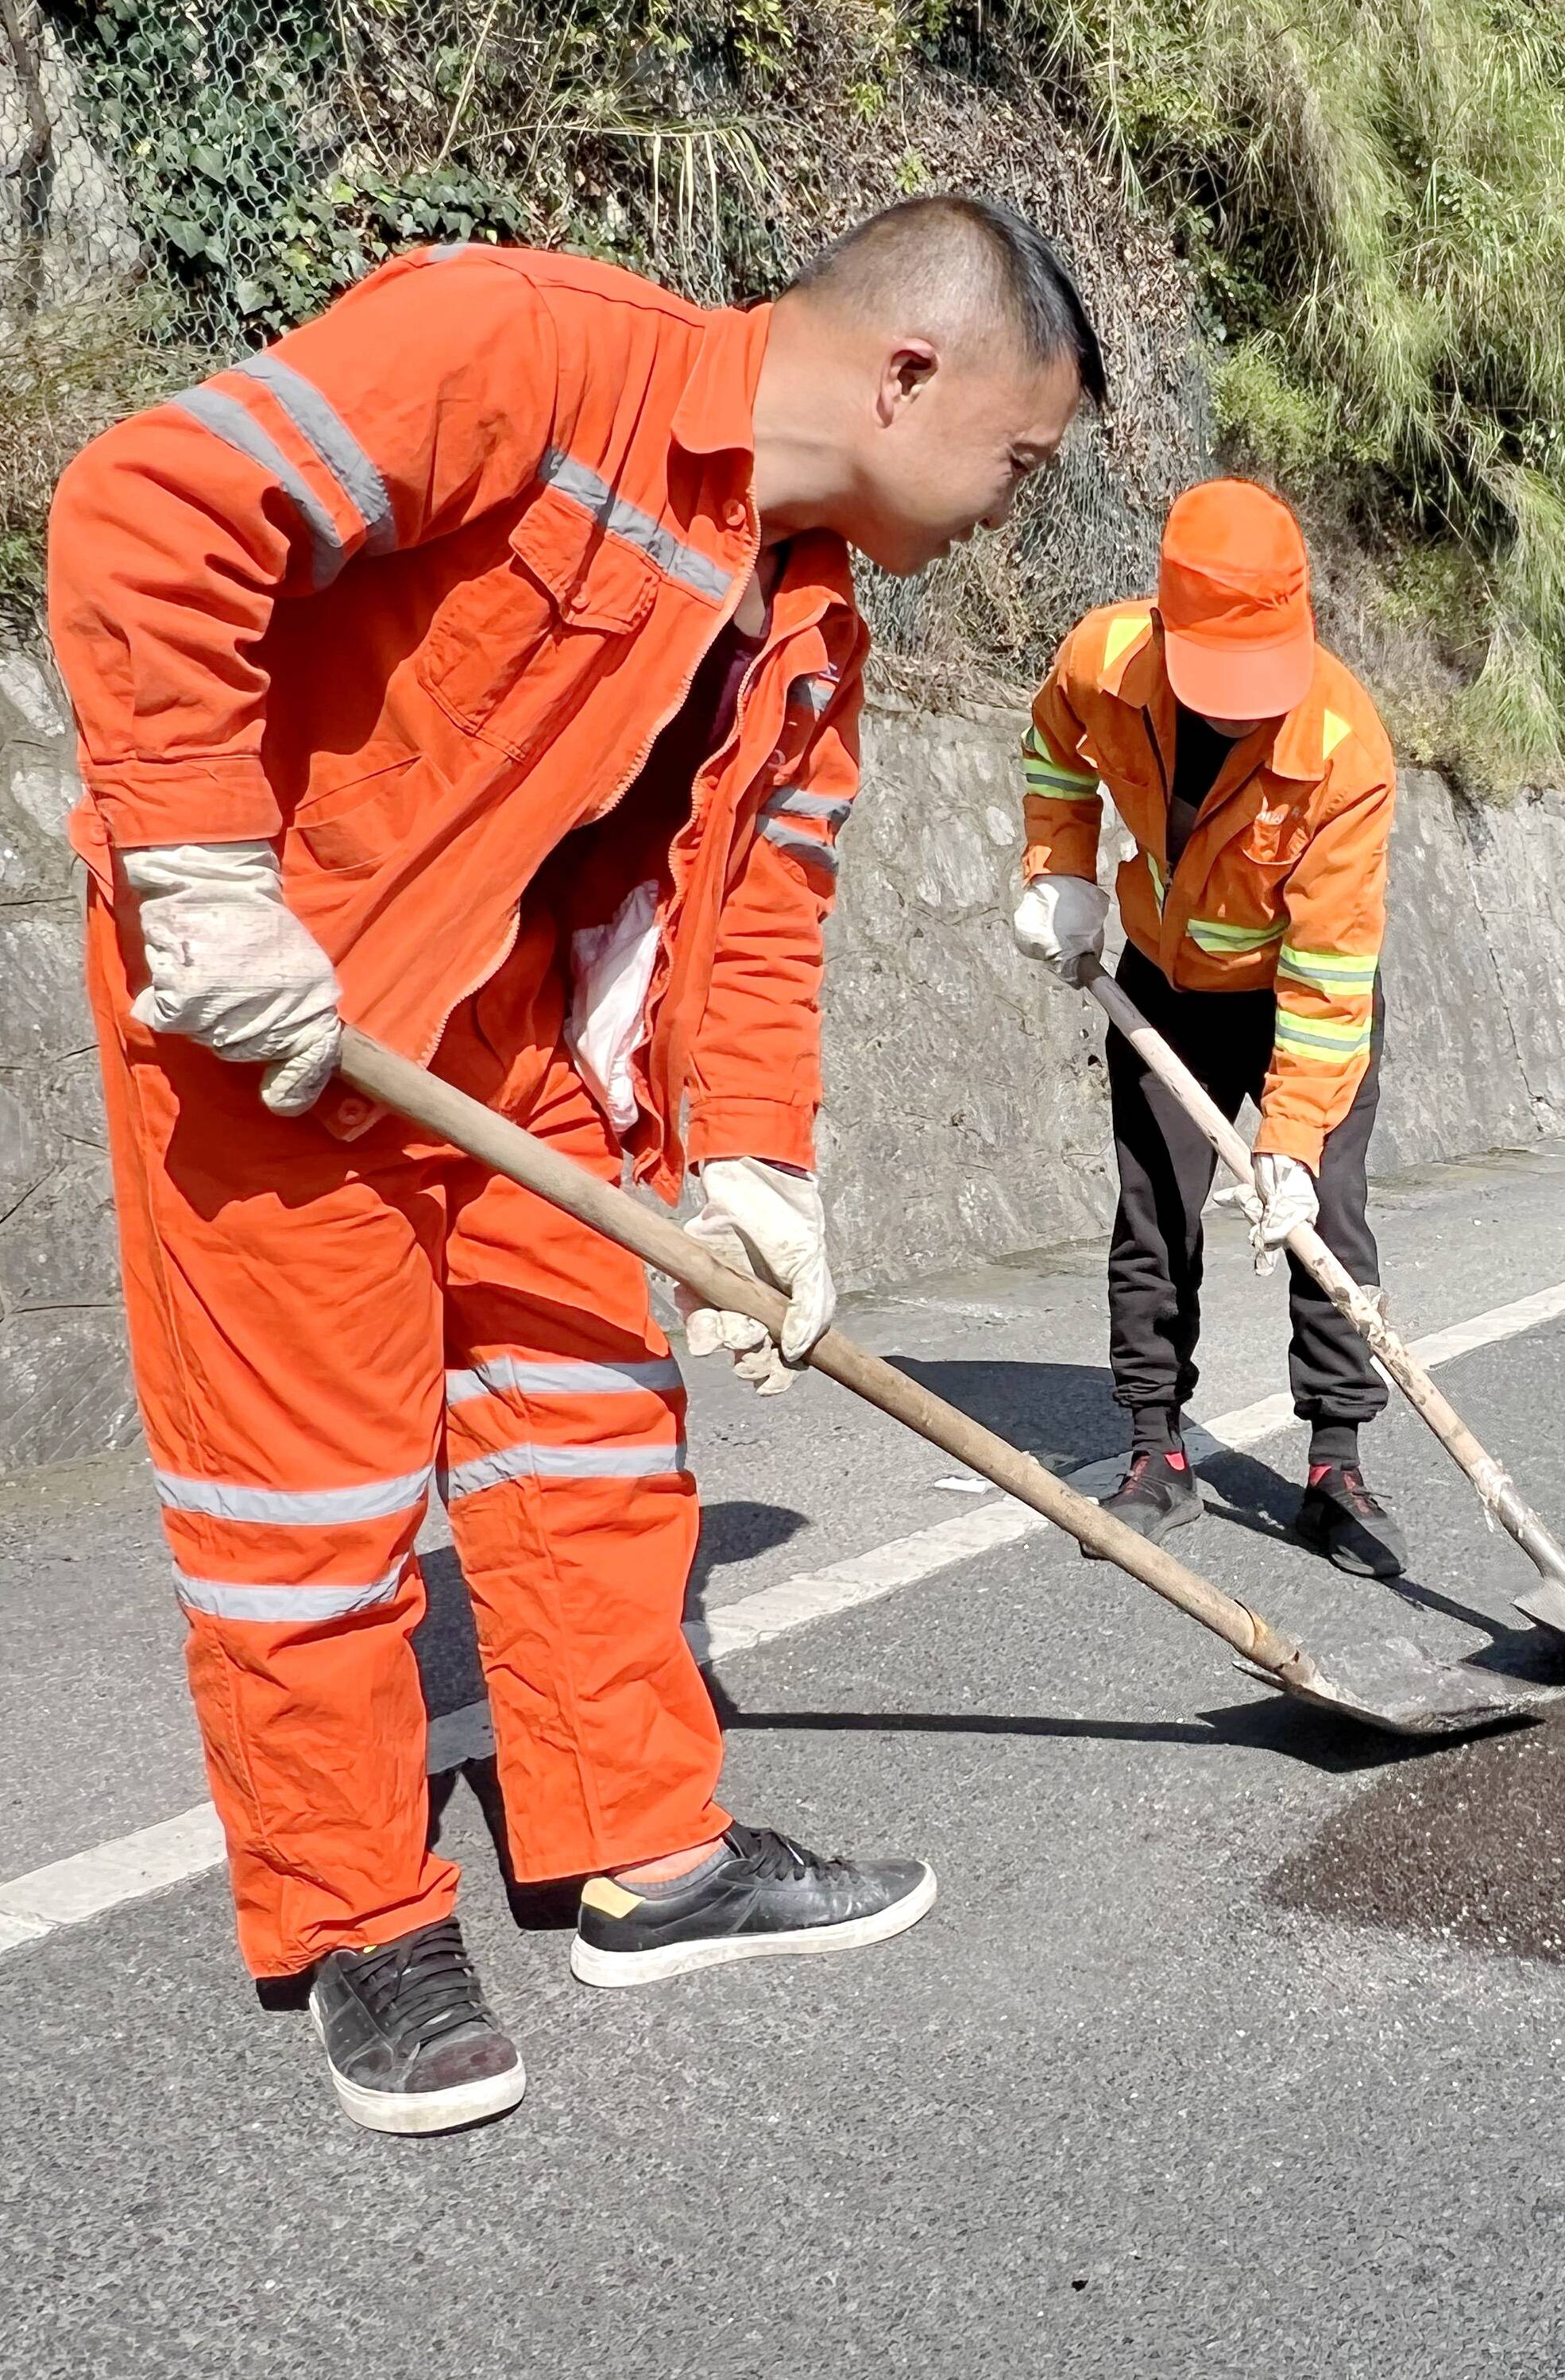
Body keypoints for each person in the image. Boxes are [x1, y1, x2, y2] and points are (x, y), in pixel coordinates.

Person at [49, 195, 1106, 2131]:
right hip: (275, 1010)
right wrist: (202, 871)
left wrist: (760, 1171)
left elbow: (763, 909)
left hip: (511, 1032)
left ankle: (643, 1857)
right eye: (1017, 461)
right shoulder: (526, 347)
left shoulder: (811, 624)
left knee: (596, 1435)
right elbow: (153, 508)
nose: (1006, 510)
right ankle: (364, 1920)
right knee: (313, 1515)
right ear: (906, 370)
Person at [1011, 480, 1404, 1578]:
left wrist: (1290, 1139)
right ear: (1167, 626)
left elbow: (1332, 972)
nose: (1241, 707)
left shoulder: (1341, 745)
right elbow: (1052, 752)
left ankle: (1335, 1464)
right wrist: (1060, 873)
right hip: (1167, 988)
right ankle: (1155, 1453)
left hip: (1296, 998)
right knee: (1151, 1218)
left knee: (1328, 1222)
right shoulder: (1104, 661)